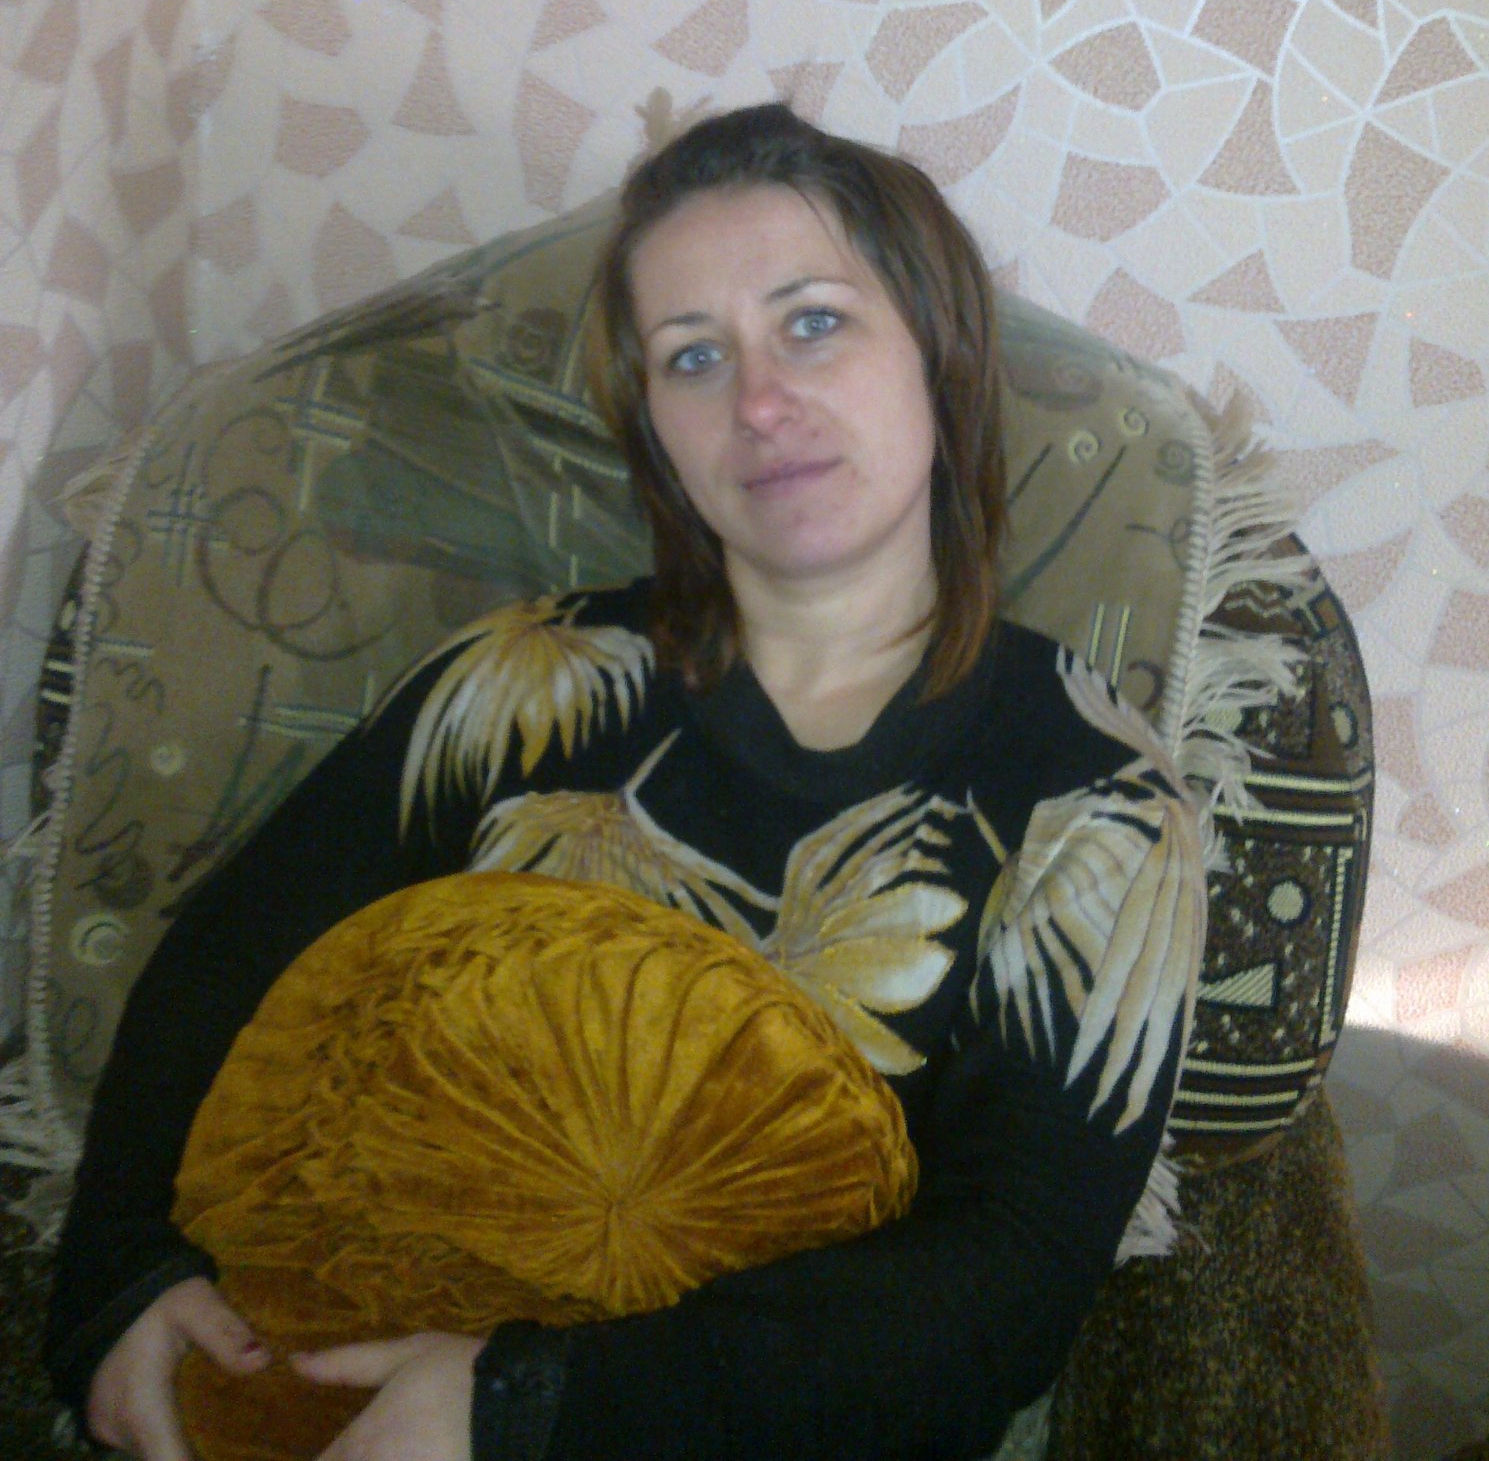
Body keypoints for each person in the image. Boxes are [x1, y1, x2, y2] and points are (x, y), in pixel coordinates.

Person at [48, 102, 1207, 1461]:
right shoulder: (521, 682)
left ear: (939, 353)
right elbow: (226, 962)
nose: (759, 403)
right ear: (653, 426)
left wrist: (521, 1406)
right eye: (693, 356)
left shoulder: (1094, 796)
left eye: (814, 323)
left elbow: (1004, 1295)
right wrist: (120, 1277)